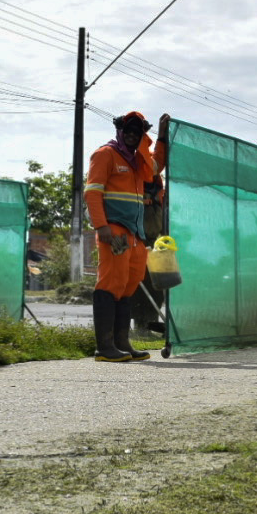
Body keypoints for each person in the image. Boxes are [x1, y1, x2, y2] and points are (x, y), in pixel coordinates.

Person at [85, 110, 163, 363]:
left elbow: (157, 166)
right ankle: (104, 347)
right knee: (111, 282)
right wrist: (101, 226)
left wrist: (161, 136)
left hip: (135, 233)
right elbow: (92, 193)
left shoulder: (138, 161)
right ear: (119, 131)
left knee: (130, 283)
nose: (131, 136)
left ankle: (122, 344)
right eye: (127, 131)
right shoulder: (105, 154)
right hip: (114, 229)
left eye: (136, 132)